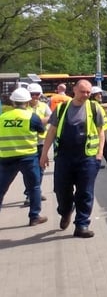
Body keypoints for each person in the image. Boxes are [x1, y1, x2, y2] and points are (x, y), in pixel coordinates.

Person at [40, 79, 105, 239]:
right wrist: (44, 154)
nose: (86, 95)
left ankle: (82, 225)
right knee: (61, 190)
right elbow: (52, 132)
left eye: (88, 92)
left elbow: (101, 132)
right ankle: (65, 211)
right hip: (64, 157)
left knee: (85, 192)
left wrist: (99, 154)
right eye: (83, 91)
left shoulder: (94, 108)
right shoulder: (61, 109)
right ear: (74, 90)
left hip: (87, 158)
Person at [0, 87, 48, 226]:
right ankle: (34, 217)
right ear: (27, 102)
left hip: (6, 158)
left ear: (13, 102)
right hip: (28, 158)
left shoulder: (2, 117)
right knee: (34, 187)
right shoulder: (32, 117)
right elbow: (41, 133)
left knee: (1, 189)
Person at [23, 83, 50, 206]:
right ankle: (30, 193)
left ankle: (35, 191)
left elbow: (51, 117)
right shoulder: (23, 107)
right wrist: (40, 121)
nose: (34, 97)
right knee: (29, 171)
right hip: (28, 143)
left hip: (41, 142)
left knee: (41, 168)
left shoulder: (44, 106)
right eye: (32, 94)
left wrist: (38, 121)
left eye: (37, 94)